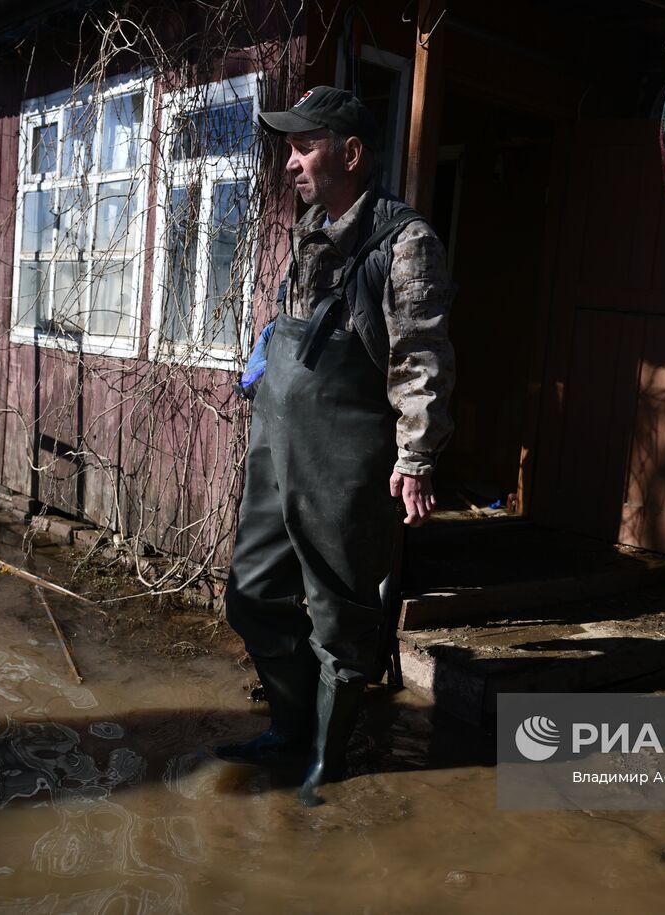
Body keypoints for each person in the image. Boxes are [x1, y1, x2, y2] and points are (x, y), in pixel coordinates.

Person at [218, 86, 455, 807]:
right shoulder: (310, 230)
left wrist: (414, 459)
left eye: (304, 145)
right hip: (279, 448)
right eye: (289, 147)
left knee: (340, 615)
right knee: (253, 592)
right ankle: (292, 726)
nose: (290, 162)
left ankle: (326, 757)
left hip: (346, 455)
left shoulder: (406, 244)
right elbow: (296, 331)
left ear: (351, 154)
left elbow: (420, 359)